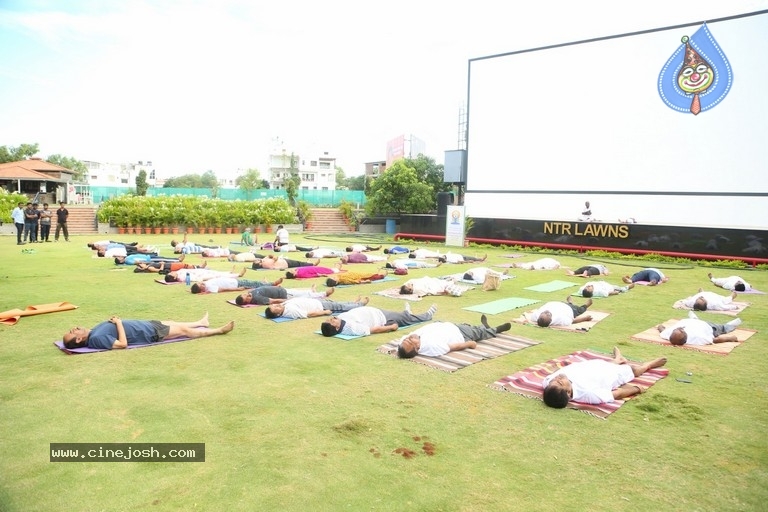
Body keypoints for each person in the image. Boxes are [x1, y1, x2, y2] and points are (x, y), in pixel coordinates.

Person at [542, 346, 667, 408]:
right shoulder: (589, 394)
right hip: (610, 373)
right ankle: (648, 365)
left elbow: (551, 382)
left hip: (591, 365)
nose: (556, 378)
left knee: (607, 364)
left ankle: (618, 359)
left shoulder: (547, 383)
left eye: (554, 380)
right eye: (560, 382)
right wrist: (637, 389)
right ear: (568, 393)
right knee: (635, 370)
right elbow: (616, 394)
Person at [61, 312, 234, 350]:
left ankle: (201, 322)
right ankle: (218, 331)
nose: (75, 327)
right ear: (78, 340)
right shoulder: (96, 340)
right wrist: (119, 323)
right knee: (183, 330)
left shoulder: (92, 333)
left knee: (173, 320)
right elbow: (122, 344)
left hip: (144, 325)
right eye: (73, 331)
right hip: (148, 333)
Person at [397, 314, 511, 358]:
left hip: (445, 325)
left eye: (406, 340)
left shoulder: (404, 343)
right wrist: (469, 344)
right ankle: (496, 329)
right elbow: (453, 347)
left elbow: (409, 338)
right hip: (460, 334)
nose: (408, 339)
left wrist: (413, 337)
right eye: (410, 342)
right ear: (417, 349)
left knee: (473, 328)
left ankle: (484, 326)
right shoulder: (432, 348)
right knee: (479, 333)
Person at [320, 303, 437, 337]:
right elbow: (372, 330)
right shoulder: (352, 329)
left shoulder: (338, 320)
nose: (331, 319)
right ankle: (427, 315)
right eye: (331, 321)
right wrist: (390, 328)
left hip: (375, 311)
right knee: (406, 319)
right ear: (336, 327)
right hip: (381, 318)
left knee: (402, 316)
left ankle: (406, 313)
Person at [657, 313, 742, 345]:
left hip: (691, 322)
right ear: (684, 335)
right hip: (708, 326)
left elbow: (661, 329)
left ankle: (694, 318)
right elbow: (714, 340)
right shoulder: (698, 338)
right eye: (680, 330)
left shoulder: (669, 334)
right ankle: (732, 324)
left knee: (694, 321)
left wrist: (659, 326)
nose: (679, 328)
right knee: (722, 328)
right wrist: (730, 338)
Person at [265, 296, 369, 319]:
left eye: (274, 305)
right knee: (341, 306)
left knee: (339, 304)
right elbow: (308, 314)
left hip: (315, 301)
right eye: (275, 308)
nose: (276, 305)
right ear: (278, 314)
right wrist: (324, 313)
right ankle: (360, 305)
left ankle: (353, 303)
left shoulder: (284, 306)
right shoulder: (291, 312)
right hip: (320, 306)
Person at [235, 285, 334, 305]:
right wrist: (288, 301)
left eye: (245, 295)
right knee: (303, 296)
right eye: (246, 298)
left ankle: (312, 291)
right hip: (284, 294)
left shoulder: (251, 294)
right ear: (246, 302)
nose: (247, 295)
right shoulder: (258, 299)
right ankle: (324, 294)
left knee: (300, 292)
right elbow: (274, 301)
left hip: (281, 289)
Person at [191, 276, 281, 294]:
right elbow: (222, 290)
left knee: (254, 283)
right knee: (254, 285)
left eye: (199, 283)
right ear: (201, 290)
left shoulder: (206, 284)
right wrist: (236, 289)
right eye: (200, 285)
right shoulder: (209, 288)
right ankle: (272, 284)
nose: (201, 284)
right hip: (236, 284)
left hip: (233, 281)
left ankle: (266, 283)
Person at [399, 276, 466, 297]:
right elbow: (429, 291)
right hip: (433, 284)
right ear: (410, 289)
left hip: (431, 281)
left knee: (443, 282)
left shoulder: (412, 282)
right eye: (408, 285)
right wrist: (441, 293)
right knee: (445, 283)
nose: (408, 284)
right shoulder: (418, 289)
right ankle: (452, 281)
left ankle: (451, 280)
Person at [252, 255, 319, 270]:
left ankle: (309, 263)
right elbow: (275, 258)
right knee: (298, 263)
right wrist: (273, 257)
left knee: (299, 263)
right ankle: (312, 264)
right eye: (256, 261)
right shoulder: (265, 263)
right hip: (285, 263)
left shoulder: (263, 261)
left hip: (284, 261)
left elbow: (269, 256)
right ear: (258, 264)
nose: (257, 260)